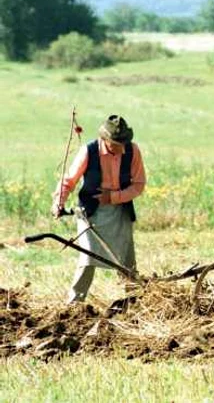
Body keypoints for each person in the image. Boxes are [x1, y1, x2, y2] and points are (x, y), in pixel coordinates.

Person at [51, 115, 147, 303]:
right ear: (104, 139)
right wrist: (59, 202)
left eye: (123, 142)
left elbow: (139, 185)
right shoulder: (89, 151)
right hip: (91, 212)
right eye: (115, 143)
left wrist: (112, 197)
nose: (121, 147)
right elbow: (69, 181)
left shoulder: (133, 151)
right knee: (88, 257)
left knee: (126, 260)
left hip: (120, 210)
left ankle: (134, 300)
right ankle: (75, 303)